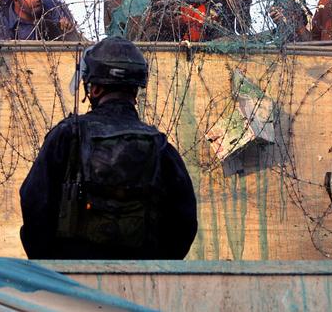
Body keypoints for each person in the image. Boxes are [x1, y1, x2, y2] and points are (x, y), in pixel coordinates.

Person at [19, 37, 198, 259]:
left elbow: (34, 203)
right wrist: (153, 268)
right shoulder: (159, 145)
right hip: (140, 283)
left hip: (71, 282)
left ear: (94, 90)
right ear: (135, 91)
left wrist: (54, 265)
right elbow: (185, 219)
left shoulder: (67, 136)